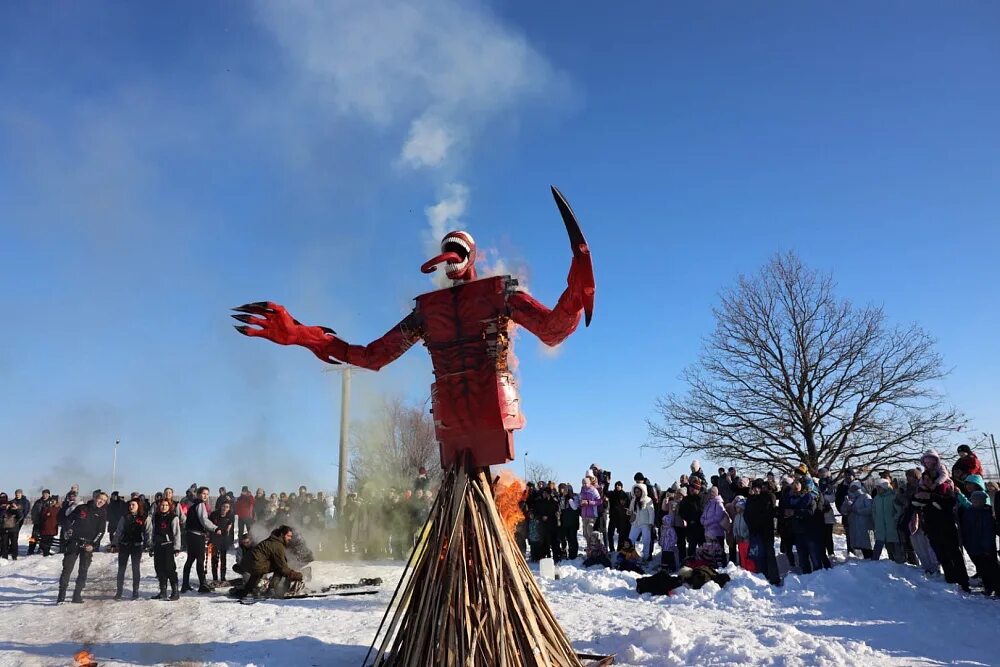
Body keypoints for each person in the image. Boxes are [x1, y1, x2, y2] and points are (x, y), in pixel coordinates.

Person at [57, 491, 108, 603]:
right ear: (95, 498)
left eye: (104, 501)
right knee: (67, 569)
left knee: (83, 570)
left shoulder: (102, 512)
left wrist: (93, 544)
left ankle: (77, 595)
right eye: (100, 499)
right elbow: (67, 520)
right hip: (74, 542)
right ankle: (61, 596)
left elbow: (101, 531)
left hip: (88, 545)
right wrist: (68, 529)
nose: (101, 502)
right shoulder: (82, 508)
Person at [234, 525, 303, 599]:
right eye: (288, 536)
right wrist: (296, 575)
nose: (290, 538)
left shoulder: (272, 541)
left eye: (291, 536)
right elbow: (283, 568)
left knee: (258, 571)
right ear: (282, 535)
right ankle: (271, 589)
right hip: (254, 564)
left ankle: (246, 590)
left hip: (248, 564)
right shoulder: (277, 545)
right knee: (279, 568)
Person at [182, 486, 221, 593]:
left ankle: (185, 584)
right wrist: (215, 528)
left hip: (190, 535)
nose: (205, 496)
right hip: (197, 536)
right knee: (200, 560)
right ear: (198, 494)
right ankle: (202, 584)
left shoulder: (193, 505)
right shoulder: (200, 505)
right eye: (203, 493)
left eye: (207, 494)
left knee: (190, 559)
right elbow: (204, 520)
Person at [959, 490, 998, 597]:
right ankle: (988, 588)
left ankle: (998, 589)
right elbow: (966, 530)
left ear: (983, 501)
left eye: (978, 500)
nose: (975, 501)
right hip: (973, 546)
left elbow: (988, 532)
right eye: (974, 499)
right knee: (982, 569)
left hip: (986, 548)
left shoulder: (987, 512)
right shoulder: (969, 512)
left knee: (992, 569)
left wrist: (987, 547)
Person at [744, 479, 781, 585]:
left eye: (758, 488)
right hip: (755, 531)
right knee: (758, 556)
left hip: (766, 530)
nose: (755, 490)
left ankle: (774, 577)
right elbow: (746, 514)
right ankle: (762, 576)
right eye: (754, 488)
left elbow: (768, 513)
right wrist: (751, 526)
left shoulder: (768, 497)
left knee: (769, 554)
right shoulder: (751, 499)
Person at [146, 497, 182, 600]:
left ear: (169, 506)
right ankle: (163, 592)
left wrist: (176, 547)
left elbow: (176, 533)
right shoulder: (156, 516)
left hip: (168, 545)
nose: (164, 507)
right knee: (159, 568)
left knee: (170, 569)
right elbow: (152, 531)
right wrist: (151, 545)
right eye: (162, 505)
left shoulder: (173, 517)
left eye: (166, 505)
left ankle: (175, 592)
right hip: (158, 545)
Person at [112, 498, 147, 600]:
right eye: (130, 505)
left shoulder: (144, 517)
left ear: (138, 506)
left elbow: (148, 532)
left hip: (136, 546)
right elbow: (118, 531)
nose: (131, 507)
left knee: (135, 569)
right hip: (124, 545)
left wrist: (147, 544)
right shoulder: (125, 517)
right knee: (121, 569)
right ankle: (119, 591)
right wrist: (114, 543)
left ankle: (135, 591)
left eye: (133, 505)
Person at [840, 481, 875, 559]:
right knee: (860, 547)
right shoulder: (849, 497)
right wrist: (846, 505)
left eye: (855, 487)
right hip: (854, 525)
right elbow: (843, 511)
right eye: (852, 487)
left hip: (864, 526)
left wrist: (857, 510)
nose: (853, 489)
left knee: (867, 547)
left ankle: (871, 562)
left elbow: (870, 509)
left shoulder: (865, 496)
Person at [872, 479, 903, 562]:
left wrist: (894, 519)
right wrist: (876, 520)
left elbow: (899, 510)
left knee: (894, 547)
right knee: (878, 545)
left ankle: (899, 563)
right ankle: (873, 564)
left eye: (879, 487)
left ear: (884, 487)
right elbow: (874, 511)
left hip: (891, 527)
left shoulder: (892, 497)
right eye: (877, 487)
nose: (877, 489)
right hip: (880, 527)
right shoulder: (876, 498)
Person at [627, 483, 655, 561]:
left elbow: (651, 512)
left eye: (638, 491)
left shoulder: (648, 499)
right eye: (635, 491)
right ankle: (630, 555)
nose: (637, 493)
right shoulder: (633, 500)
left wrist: (651, 523)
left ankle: (645, 557)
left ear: (643, 491)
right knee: (631, 539)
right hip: (635, 523)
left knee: (646, 540)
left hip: (645, 523)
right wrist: (629, 512)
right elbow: (631, 510)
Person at [210, 499, 236, 583]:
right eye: (223, 506)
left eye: (227, 507)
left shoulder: (230, 516)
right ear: (220, 506)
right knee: (214, 559)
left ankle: (223, 577)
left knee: (223, 558)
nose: (225, 508)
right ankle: (215, 578)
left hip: (224, 539)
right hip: (214, 539)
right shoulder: (214, 514)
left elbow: (229, 527)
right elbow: (209, 526)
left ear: (229, 509)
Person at [605, 481, 630, 552]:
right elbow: (605, 492)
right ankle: (612, 548)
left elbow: (628, 506)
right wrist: (607, 483)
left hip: (621, 518)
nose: (617, 486)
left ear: (621, 487)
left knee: (621, 534)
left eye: (619, 485)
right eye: (616, 485)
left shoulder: (624, 495)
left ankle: (619, 548)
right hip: (612, 517)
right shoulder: (612, 493)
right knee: (610, 533)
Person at [558, 484, 580, 560]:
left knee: (573, 538)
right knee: (568, 538)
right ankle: (569, 553)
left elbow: (575, 508)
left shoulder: (575, 497)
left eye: (565, 490)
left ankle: (573, 554)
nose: (563, 491)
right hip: (565, 522)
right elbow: (561, 508)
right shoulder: (562, 498)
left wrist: (570, 499)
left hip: (573, 522)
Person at [28, 489, 52, 555]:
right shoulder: (38, 502)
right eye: (44, 493)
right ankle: (30, 550)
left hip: (46, 523)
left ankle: (42, 549)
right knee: (33, 537)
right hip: (37, 522)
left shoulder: (51, 502)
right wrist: (33, 518)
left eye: (46, 494)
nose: (45, 495)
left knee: (44, 537)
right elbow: (33, 511)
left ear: (49, 494)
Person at [0, 494, 21, 559]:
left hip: (12, 528)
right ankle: (5, 557)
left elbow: (20, 516)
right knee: (4, 543)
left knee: (13, 543)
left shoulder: (12, 505)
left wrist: (16, 508)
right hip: (4, 528)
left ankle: (14, 556)